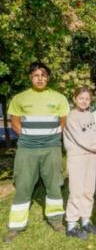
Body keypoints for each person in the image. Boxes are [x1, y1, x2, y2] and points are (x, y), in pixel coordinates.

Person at [5, 62, 70, 242]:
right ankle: (16, 225)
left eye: (43, 75)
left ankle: (56, 220)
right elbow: (15, 122)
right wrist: (26, 134)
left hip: (52, 148)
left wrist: (55, 133)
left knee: (54, 184)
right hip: (27, 148)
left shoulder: (59, 98)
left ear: (48, 78)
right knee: (23, 185)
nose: (40, 78)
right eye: (36, 75)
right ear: (30, 77)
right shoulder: (19, 98)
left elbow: (64, 120)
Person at [63, 87, 96, 239]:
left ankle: (85, 221)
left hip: (92, 156)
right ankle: (71, 224)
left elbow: (92, 137)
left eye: (87, 99)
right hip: (78, 157)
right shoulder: (71, 117)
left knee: (88, 190)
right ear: (74, 98)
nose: (84, 101)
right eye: (81, 98)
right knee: (76, 191)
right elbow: (82, 140)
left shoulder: (90, 115)